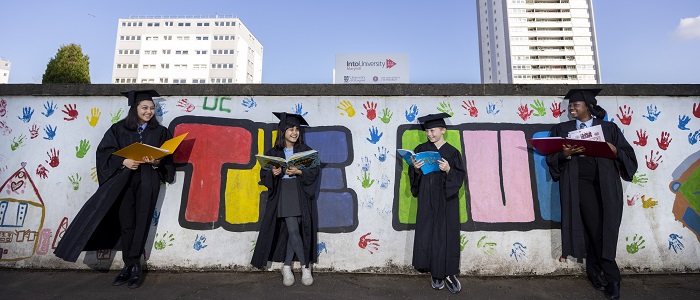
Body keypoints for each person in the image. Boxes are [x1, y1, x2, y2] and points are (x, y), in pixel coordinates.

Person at [54, 90, 175, 289]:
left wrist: (156, 162)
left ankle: (134, 266)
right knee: (126, 223)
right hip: (124, 181)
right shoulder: (119, 129)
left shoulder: (160, 132)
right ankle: (129, 266)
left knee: (142, 222)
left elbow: (168, 158)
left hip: (148, 179)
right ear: (134, 108)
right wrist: (124, 161)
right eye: (144, 108)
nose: (149, 112)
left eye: (152, 108)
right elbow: (104, 152)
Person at [545, 89, 637, 300]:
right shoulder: (563, 129)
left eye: (576, 104)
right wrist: (564, 154)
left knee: (602, 227)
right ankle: (613, 277)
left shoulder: (608, 128)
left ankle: (594, 271)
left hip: (606, 184)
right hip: (580, 184)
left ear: (588, 106)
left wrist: (615, 152)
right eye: (570, 105)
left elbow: (628, 154)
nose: (571, 108)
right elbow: (551, 157)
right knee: (596, 228)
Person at [251, 112, 320, 286]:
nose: (295, 132)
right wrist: (273, 173)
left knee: (293, 230)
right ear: (283, 131)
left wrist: (299, 172)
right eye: (291, 129)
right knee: (293, 229)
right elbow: (264, 173)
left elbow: (314, 172)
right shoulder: (274, 152)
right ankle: (305, 266)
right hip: (284, 193)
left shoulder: (305, 151)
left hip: (300, 192)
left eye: (297, 129)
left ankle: (287, 266)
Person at [408, 112, 466, 294]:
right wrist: (416, 170)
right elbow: (415, 176)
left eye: (432, 130)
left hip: (446, 199)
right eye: (427, 131)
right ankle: (434, 273)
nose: (429, 134)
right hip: (427, 197)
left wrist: (449, 169)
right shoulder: (420, 149)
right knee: (429, 233)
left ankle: (449, 273)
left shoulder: (452, 152)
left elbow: (460, 176)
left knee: (446, 235)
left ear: (443, 130)